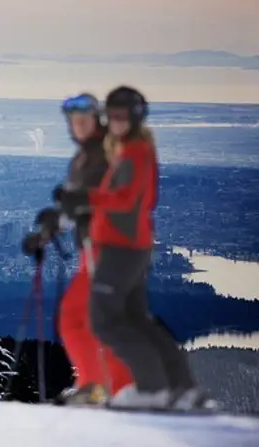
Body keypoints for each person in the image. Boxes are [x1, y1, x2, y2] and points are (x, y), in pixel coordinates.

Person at [53, 86, 211, 410]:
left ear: (136, 117)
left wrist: (87, 199)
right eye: (113, 116)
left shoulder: (133, 152)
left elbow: (127, 199)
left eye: (122, 116)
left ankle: (148, 389)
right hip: (124, 244)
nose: (117, 121)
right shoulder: (125, 148)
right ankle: (180, 388)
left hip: (118, 246)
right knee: (137, 320)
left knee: (105, 321)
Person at [22, 93, 133, 406]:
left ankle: (110, 388)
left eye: (84, 120)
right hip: (95, 251)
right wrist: (45, 232)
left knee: (90, 318)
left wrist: (75, 207)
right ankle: (100, 386)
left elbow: (112, 199)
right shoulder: (84, 159)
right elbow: (72, 206)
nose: (79, 126)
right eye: (74, 121)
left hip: (111, 248)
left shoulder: (105, 156)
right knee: (82, 318)